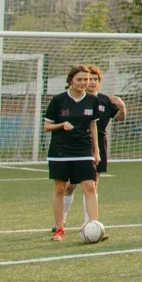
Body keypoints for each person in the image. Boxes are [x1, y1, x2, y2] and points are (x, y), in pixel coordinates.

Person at [44, 66, 103, 241]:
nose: (84, 83)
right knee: (60, 188)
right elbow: (47, 126)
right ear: (71, 81)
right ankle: (60, 229)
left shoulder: (92, 101)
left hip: (83, 150)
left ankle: (94, 226)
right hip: (60, 151)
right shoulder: (58, 100)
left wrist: (96, 151)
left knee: (90, 187)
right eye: (80, 79)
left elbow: (93, 125)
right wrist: (62, 125)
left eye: (86, 79)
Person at [83, 65, 126, 183]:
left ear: (99, 82)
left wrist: (122, 107)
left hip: (100, 141)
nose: (92, 82)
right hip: (80, 141)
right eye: (89, 79)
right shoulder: (78, 99)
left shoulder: (105, 100)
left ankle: (91, 202)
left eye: (95, 79)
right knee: (71, 184)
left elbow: (120, 118)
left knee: (94, 182)